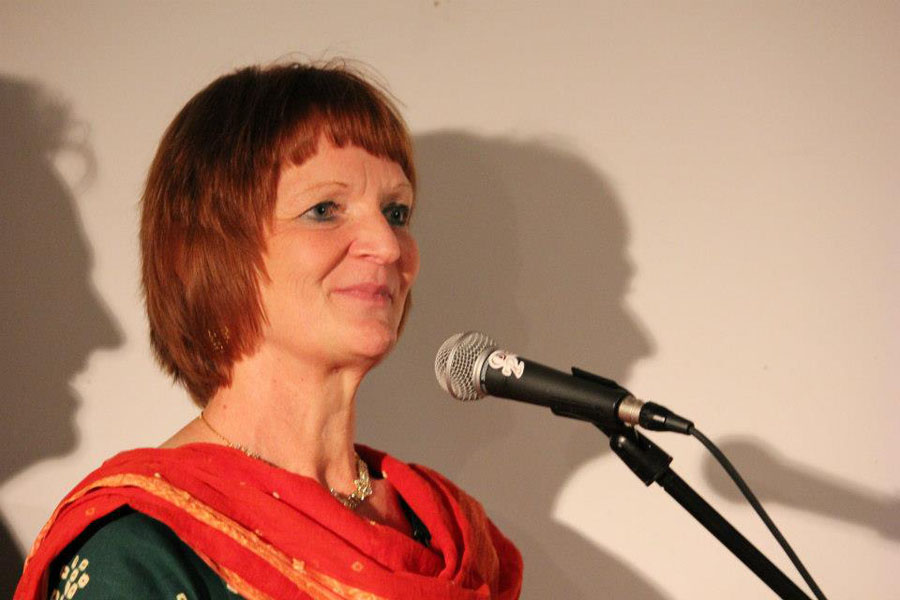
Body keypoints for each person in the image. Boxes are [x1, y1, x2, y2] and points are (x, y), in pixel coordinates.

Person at [14, 61, 523, 600]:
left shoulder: (447, 534)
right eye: (324, 210)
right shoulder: (139, 551)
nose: (388, 245)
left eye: (396, 213)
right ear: (210, 255)